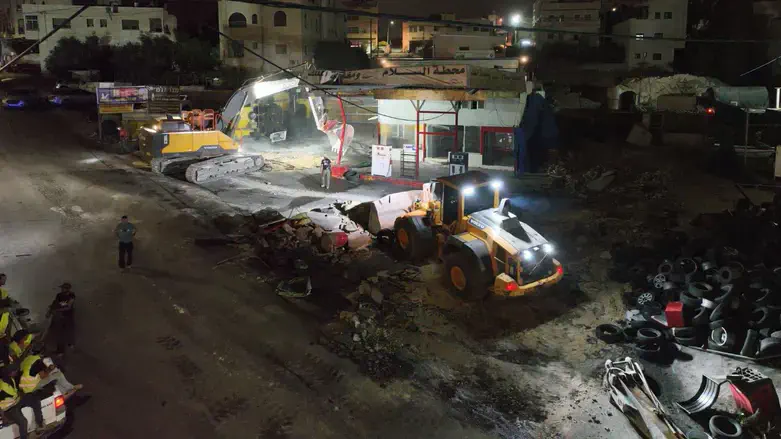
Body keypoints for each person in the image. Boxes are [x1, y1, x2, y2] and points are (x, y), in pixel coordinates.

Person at [0, 364, 29, 439]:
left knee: (32, 398)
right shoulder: (1, 387)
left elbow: (15, 392)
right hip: (8, 409)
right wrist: (3, 417)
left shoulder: (11, 379)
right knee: (23, 422)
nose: (16, 372)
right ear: (10, 372)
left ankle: (40, 423)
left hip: (16, 402)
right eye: (15, 371)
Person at [46, 283, 76, 354]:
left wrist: (56, 310)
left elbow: (68, 307)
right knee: (59, 333)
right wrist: (49, 311)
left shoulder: (71, 295)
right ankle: (59, 350)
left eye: (64, 288)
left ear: (68, 289)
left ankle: (69, 344)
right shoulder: (59, 295)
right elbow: (54, 303)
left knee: (68, 331)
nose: (62, 289)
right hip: (60, 317)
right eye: (62, 288)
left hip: (67, 317)